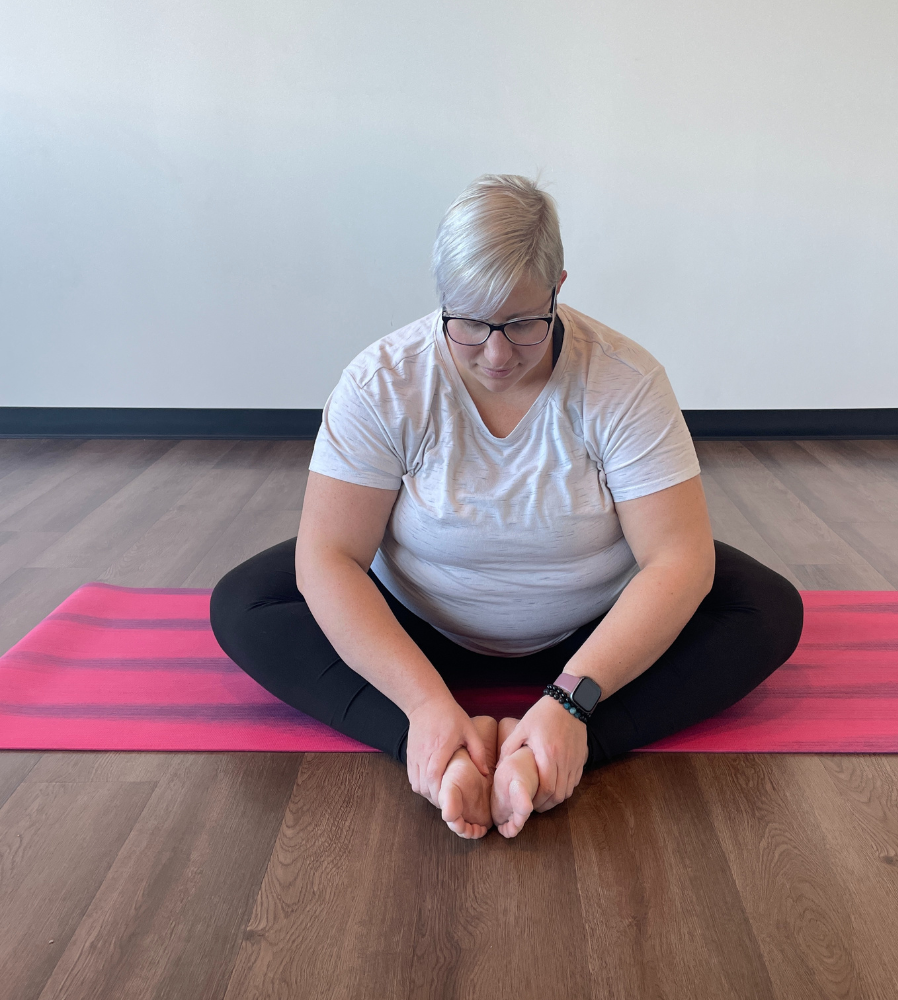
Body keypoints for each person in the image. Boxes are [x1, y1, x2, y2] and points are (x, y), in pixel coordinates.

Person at [210, 174, 803, 840]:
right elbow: (329, 556)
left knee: (764, 610)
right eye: (468, 323)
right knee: (246, 603)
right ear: (442, 300)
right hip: (423, 630)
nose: (495, 354)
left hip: (587, 636)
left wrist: (570, 701)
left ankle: (555, 742)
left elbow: (678, 558)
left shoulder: (622, 380)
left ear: (559, 288)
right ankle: (433, 747)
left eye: (522, 324)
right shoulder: (384, 381)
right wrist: (425, 705)